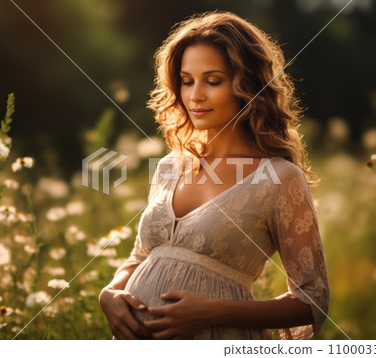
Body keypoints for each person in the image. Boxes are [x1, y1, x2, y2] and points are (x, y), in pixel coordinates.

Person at [99, 11, 329, 340]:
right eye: (187, 80)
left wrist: (211, 311)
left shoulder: (279, 177)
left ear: (247, 85)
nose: (195, 95)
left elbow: (312, 300)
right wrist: (109, 293)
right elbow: (141, 256)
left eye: (213, 80)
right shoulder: (168, 167)